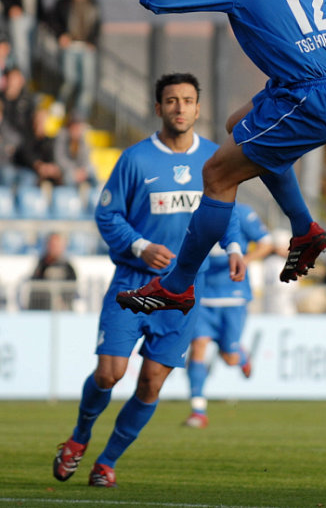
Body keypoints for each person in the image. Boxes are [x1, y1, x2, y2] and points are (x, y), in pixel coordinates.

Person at [113, 0, 326, 315]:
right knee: (239, 126)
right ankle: (303, 229)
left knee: (216, 175)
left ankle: (177, 286)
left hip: (309, 96)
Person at [52, 72, 244, 488]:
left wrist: (233, 248)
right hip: (134, 283)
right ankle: (79, 438)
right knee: (109, 374)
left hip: (183, 292)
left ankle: (106, 462)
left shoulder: (215, 159)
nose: (179, 108)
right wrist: (139, 246)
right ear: (158, 108)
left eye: (187, 100)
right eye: (171, 101)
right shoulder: (136, 160)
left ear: (198, 108)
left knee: (151, 383)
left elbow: (223, 213)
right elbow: (107, 214)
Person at [185, 201, 272, 428]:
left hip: (233, 295)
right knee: (198, 347)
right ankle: (198, 410)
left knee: (229, 356)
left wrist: (244, 260)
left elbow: (266, 243)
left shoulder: (242, 213)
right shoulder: (195, 211)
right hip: (203, 294)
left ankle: (241, 357)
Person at [49, 0, 102, 119]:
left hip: (86, 48)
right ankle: (60, 104)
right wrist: (61, 35)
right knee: (68, 78)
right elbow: (53, 21)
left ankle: (80, 114)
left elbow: (97, 25)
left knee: (87, 83)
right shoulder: (63, 3)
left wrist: (93, 41)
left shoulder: (93, 3)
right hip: (70, 46)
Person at [13, 107, 63, 187]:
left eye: (44, 119)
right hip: (26, 168)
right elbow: (25, 154)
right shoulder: (26, 135)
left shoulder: (49, 139)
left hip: (43, 169)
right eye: (39, 119)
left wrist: (50, 168)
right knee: (29, 178)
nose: (41, 122)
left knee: (61, 177)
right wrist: (38, 165)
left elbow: (51, 156)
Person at [28, 231, 77, 310]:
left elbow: (73, 287)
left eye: (57, 245)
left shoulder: (68, 267)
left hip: (63, 310)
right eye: (52, 244)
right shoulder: (41, 265)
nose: (54, 247)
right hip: (43, 309)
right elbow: (36, 286)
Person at [53, 112, 97, 190]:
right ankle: (70, 199)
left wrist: (83, 171)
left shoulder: (83, 138)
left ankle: (94, 198)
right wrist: (75, 171)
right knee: (69, 177)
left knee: (93, 171)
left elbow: (86, 158)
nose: (77, 128)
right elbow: (60, 159)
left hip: (80, 169)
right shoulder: (62, 135)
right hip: (68, 170)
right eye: (75, 125)